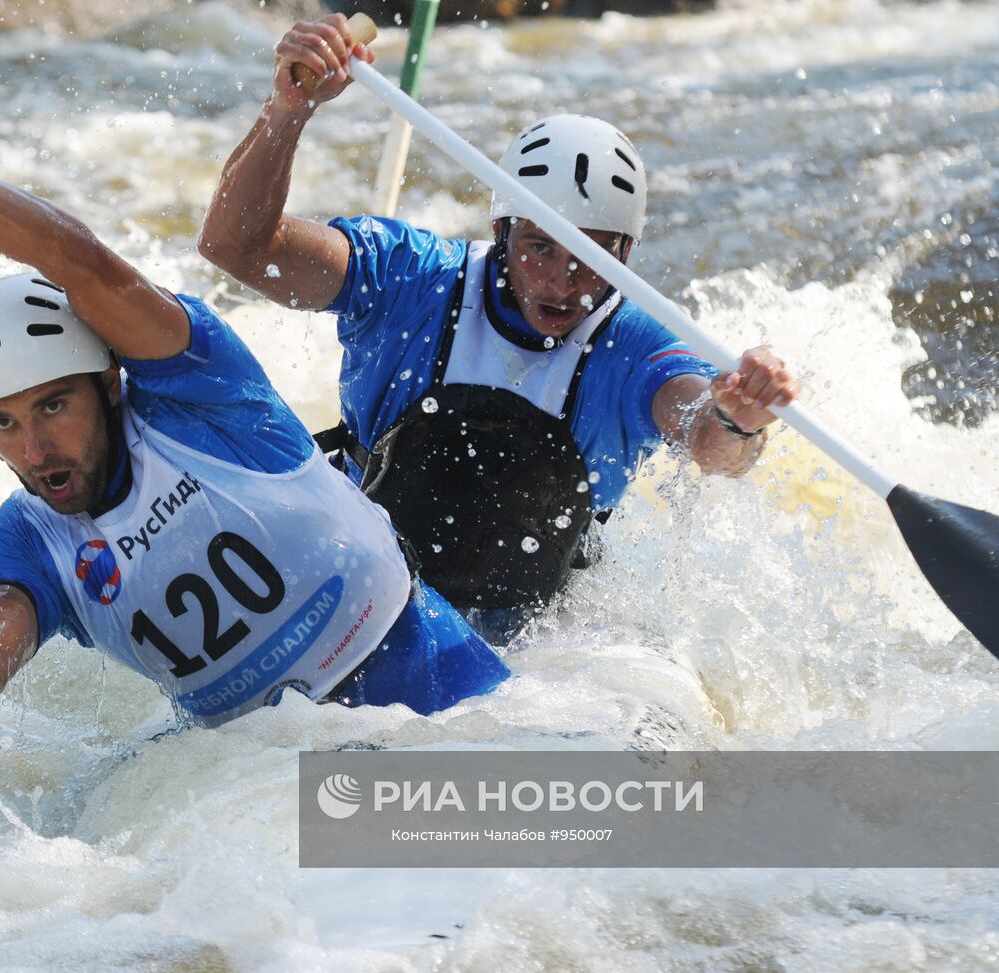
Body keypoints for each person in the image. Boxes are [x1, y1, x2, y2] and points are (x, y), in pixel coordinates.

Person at [0, 103, 510, 729]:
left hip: (444, 696)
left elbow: (79, 262)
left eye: (53, 405)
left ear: (108, 382)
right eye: (1, 423)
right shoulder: (29, 541)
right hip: (266, 779)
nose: (36, 447)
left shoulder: (198, 389)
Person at [198, 15, 800, 639]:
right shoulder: (409, 282)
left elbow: (710, 442)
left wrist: (740, 414)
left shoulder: (634, 347)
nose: (563, 282)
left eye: (591, 260)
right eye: (539, 248)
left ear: (625, 255)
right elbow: (235, 246)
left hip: (535, 646)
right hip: (363, 594)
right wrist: (288, 110)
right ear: (500, 232)